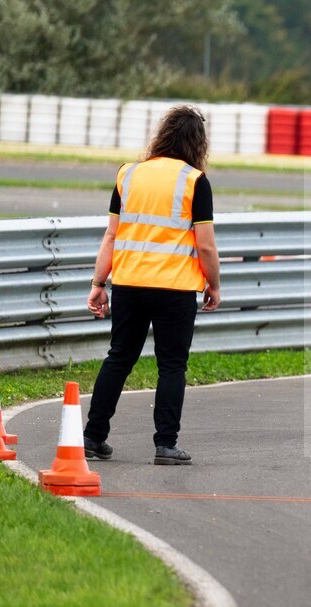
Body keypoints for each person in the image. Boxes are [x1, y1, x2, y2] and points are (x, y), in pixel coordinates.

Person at [83, 105, 221, 466]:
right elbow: (205, 244)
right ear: (198, 143)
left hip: (128, 283)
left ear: (162, 135)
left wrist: (99, 282)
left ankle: (93, 438)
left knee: (119, 358)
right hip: (174, 289)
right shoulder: (195, 181)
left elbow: (111, 235)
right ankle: (166, 445)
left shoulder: (128, 175)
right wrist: (214, 284)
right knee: (172, 365)